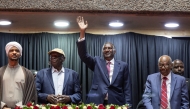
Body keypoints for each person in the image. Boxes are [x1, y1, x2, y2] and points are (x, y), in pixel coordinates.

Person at [76, 16, 132, 106]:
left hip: (116, 102)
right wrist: (82, 32)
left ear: (114, 51)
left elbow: (127, 87)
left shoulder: (123, 65)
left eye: (109, 48)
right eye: (105, 48)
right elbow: (83, 55)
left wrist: (128, 105)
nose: (107, 50)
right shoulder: (97, 62)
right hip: (97, 101)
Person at [0, 41, 37, 109]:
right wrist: (2, 106)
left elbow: (32, 95)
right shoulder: (0, 72)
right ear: (7, 53)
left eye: (17, 50)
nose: (14, 52)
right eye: (11, 50)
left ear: (20, 54)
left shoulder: (28, 73)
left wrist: (21, 107)